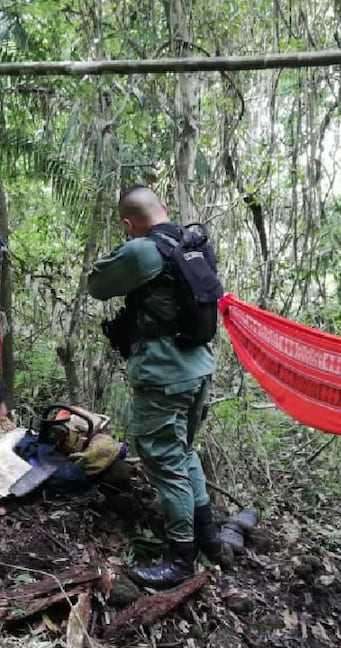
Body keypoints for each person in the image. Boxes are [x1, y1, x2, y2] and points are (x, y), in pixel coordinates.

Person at [87, 185, 231, 588]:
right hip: (198, 366)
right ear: (165, 208)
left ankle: (180, 558)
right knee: (183, 452)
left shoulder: (142, 251)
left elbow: (96, 286)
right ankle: (210, 539)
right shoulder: (192, 243)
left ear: (128, 225)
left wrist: (126, 248)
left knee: (164, 461)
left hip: (164, 373)